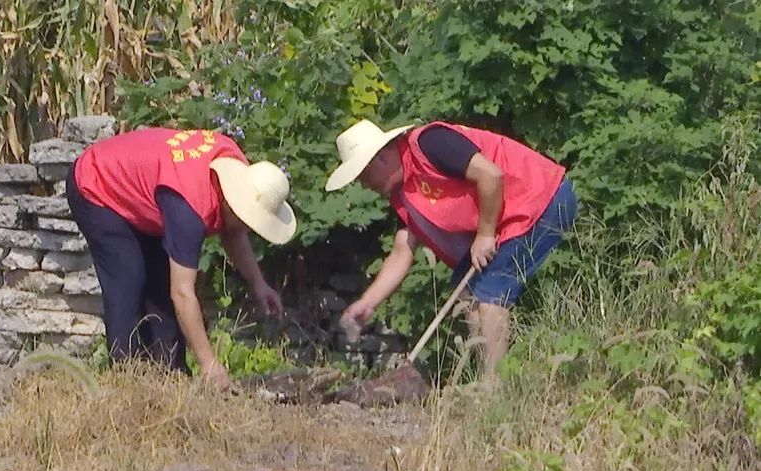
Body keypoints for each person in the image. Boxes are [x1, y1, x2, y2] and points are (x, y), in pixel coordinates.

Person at [325, 119, 577, 382]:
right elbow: (402, 251)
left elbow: (491, 175)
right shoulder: (403, 193)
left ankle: (494, 392)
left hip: (540, 199)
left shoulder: (430, 143)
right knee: (468, 293)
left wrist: (485, 234)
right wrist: (367, 303)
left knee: (490, 295)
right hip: (507, 219)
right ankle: (488, 382)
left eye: (363, 176)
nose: (365, 186)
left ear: (380, 158)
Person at [67, 126, 296, 391]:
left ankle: (172, 381)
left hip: (147, 193)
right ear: (235, 203)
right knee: (128, 279)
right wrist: (209, 363)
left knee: (160, 287)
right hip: (97, 183)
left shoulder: (236, 170)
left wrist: (258, 283)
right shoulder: (190, 208)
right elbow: (183, 294)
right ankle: (125, 386)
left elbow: (233, 232)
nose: (249, 227)